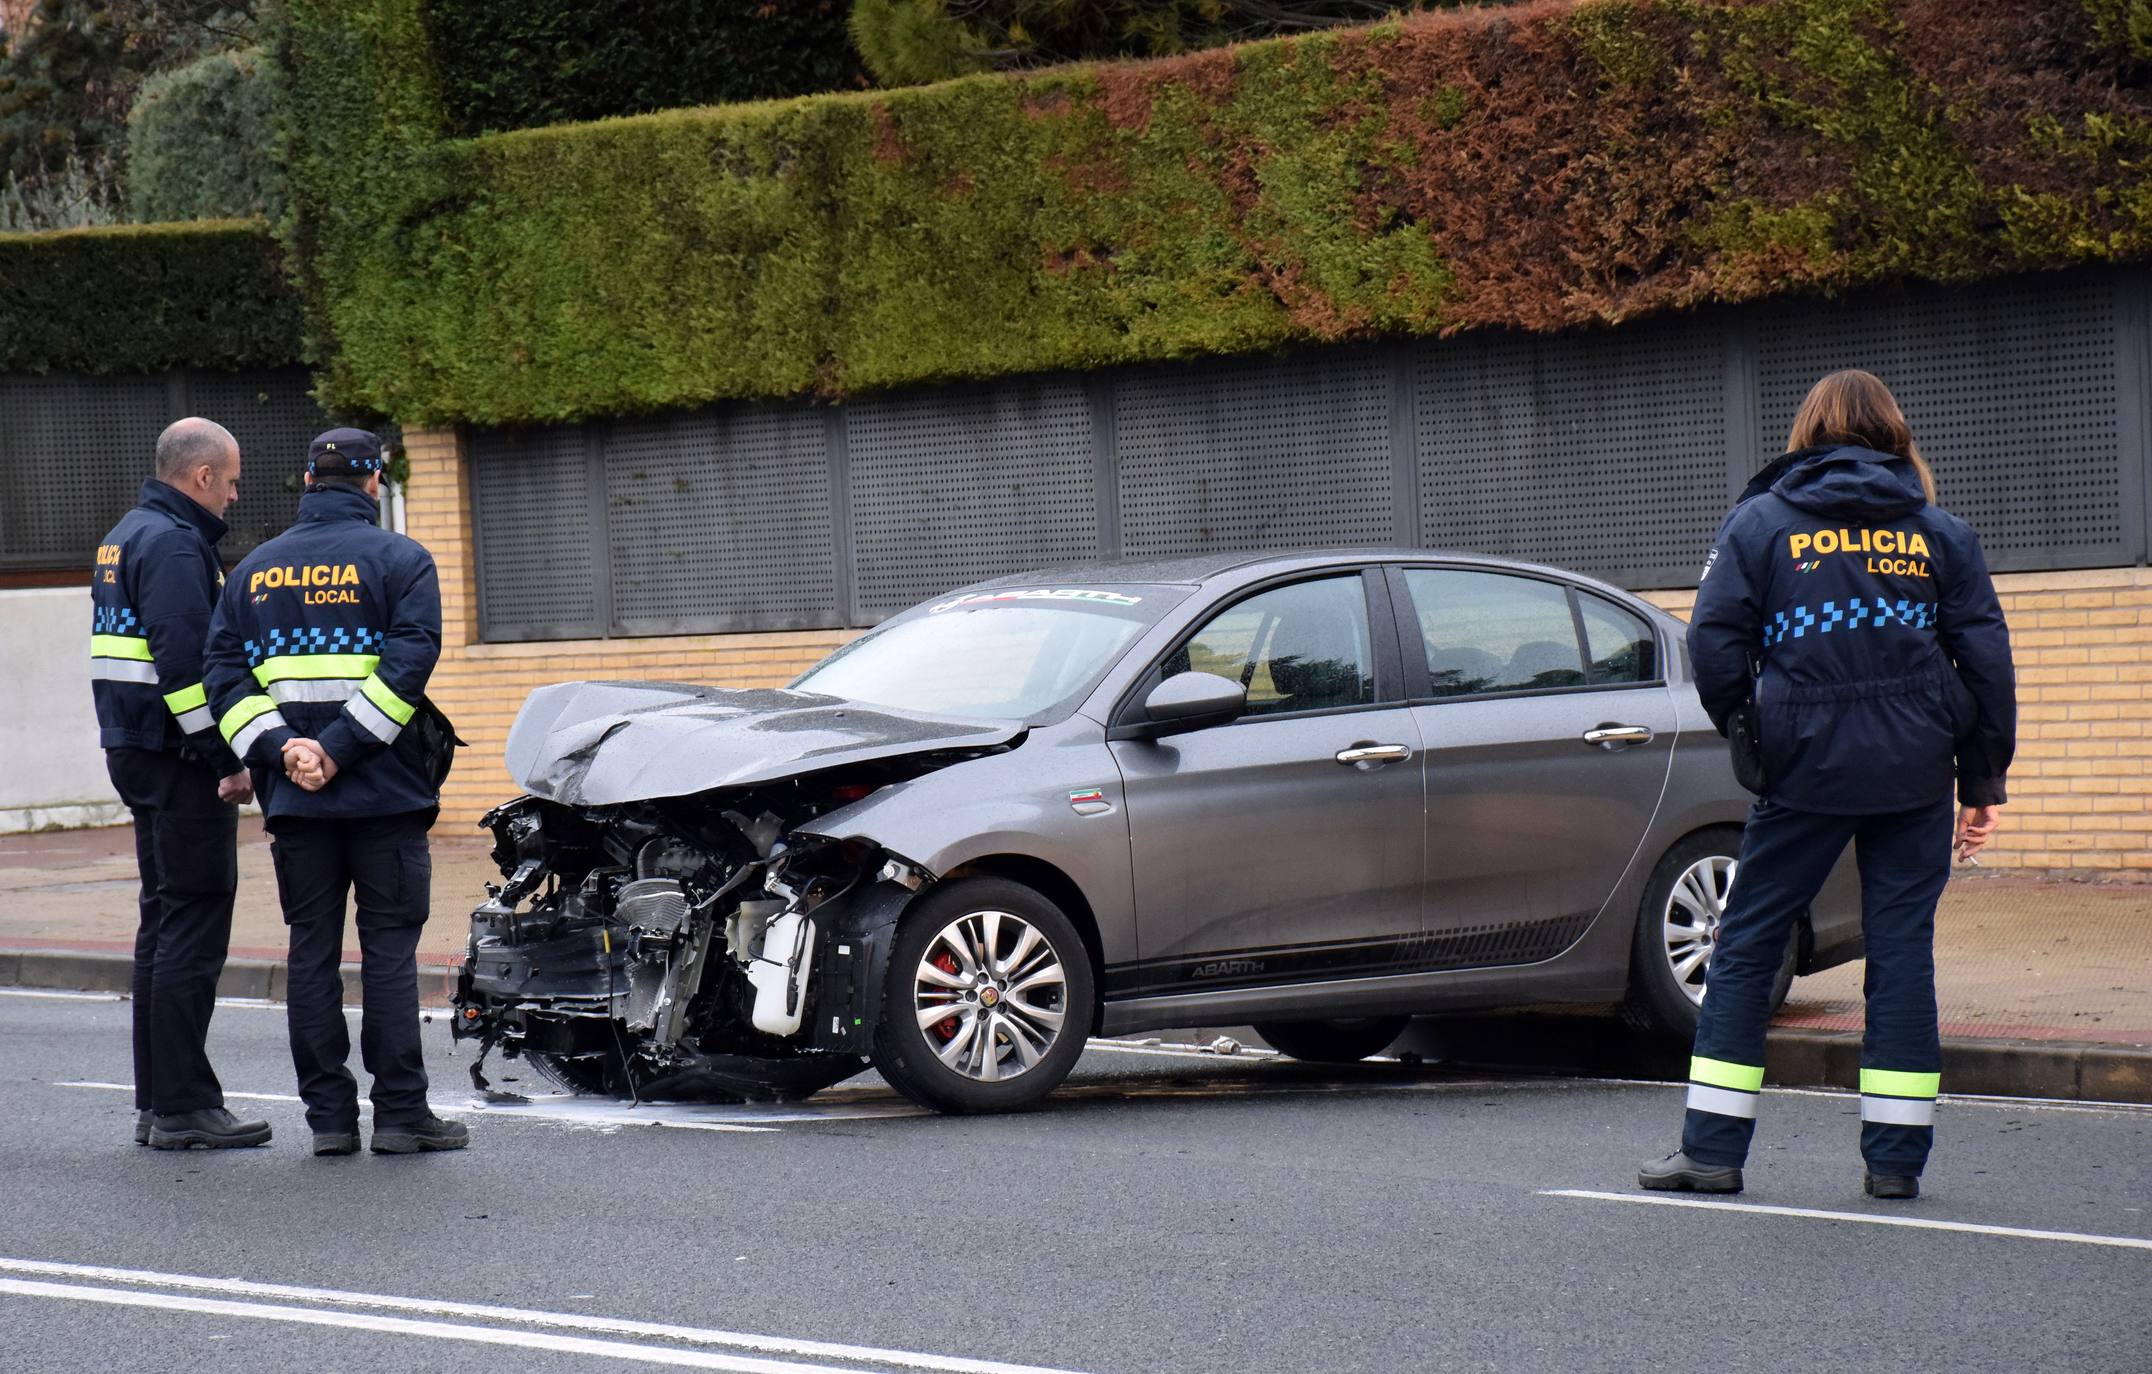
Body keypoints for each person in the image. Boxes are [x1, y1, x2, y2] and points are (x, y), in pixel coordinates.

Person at [1639, 370, 2015, 1201]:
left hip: (1803, 768)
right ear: (1892, 436)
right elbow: (1985, 658)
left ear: (1807, 433)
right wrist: (1981, 777)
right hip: (1916, 768)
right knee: (1902, 953)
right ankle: (1894, 1165)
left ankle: (1711, 1152)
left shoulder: (1761, 525)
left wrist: (1751, 732)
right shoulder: (1938, 533)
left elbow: (1713, 643)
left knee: (1745, 947)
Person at [203, 428, 468, 1157]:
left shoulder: (252, 570)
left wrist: (282, 750)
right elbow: (410, 662)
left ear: (308, 481)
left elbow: (222, 676)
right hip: (384, 795)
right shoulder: (402, 560)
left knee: (311, 952)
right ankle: (402, 1117)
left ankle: (327, 1121)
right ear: (373, 481)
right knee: (387, 952)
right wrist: (337, 749)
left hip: (296, 800)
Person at [91, 418, 274, 1150]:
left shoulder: (126, 533)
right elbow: (186, 669)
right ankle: (183, 1106)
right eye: (230, 482)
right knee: (193, 922)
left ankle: (157, 1098)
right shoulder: (172, 544)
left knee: (162, 922)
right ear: (201, 476)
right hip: (177, 760)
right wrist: (226, 758)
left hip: (138, 751)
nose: (233, 496)